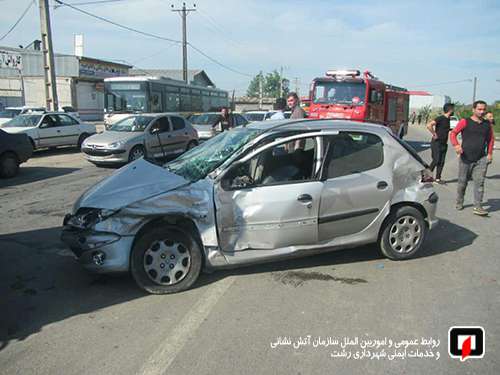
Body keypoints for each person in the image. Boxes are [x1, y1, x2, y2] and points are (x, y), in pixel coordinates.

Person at [450, 100, 494, 216]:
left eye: (484, 109)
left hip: (481, 159)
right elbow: (453, 133)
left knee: (479, 183)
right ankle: (459, 202)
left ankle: (478, 206)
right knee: (462, 182)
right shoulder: (465, 122)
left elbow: (491, 140)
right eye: (479, 109)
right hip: (466, 158)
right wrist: (456, 145)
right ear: (473, 110)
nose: (482, 111)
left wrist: (489, 153)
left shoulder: (487, 125)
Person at [426, 103, 454, 183]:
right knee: (436, 160)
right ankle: (425, 177)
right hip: (436, 143)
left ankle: (438, 178)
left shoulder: (448, 119)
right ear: (450, 110)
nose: (453, 111)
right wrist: (434, 134)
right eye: (453, 109)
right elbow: (429, 125)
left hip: (444, 143)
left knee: (441, 162)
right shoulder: (441, 118)